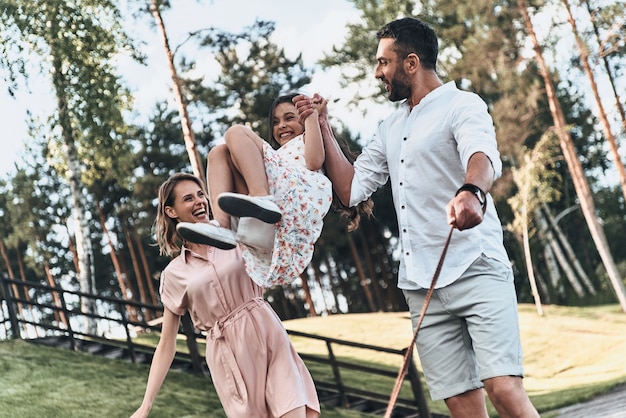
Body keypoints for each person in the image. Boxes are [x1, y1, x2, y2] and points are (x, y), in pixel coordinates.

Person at [297, 17, 539, 418]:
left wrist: (472, 192)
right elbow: (351, 188)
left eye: (383, 63)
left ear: (411, 63)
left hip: (475, 266)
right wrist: (322, 126)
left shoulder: (462, 104)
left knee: (504, 390)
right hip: (421, 284)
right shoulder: (390, 127)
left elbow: (481, 156)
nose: (377, 73)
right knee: (463, 406)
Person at [130, 173, 320, 418]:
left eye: (201, 194)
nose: (199, 201)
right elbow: (167, 344)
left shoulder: (236, 235)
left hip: (265, 329)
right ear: (171, 211)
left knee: (293, 408)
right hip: (228, 354)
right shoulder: (174, 274)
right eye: (188, 198)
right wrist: (146, 405)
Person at [178, 93, 372, 288]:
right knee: (218, 152)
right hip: (266, 225)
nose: (281, 126)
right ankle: (223, 226)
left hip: (293, 203)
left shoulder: (305, 141)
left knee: (235, 132)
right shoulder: (268, 161)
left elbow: (314, 162)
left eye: (289, 118)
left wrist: (311, 117)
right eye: (276, 122)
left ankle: (262, 198)